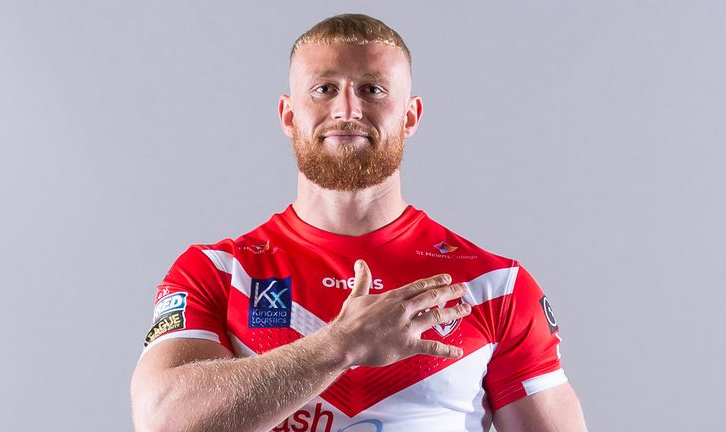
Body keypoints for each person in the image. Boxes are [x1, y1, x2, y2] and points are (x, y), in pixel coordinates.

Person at [130, 13, 588, 432]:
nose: (348, 110)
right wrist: (339, 346)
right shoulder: (217, 271)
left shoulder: (496, 287)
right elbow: (163, 420)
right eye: (324, 88)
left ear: (410, 117)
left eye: (373, 89)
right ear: (289, 116)